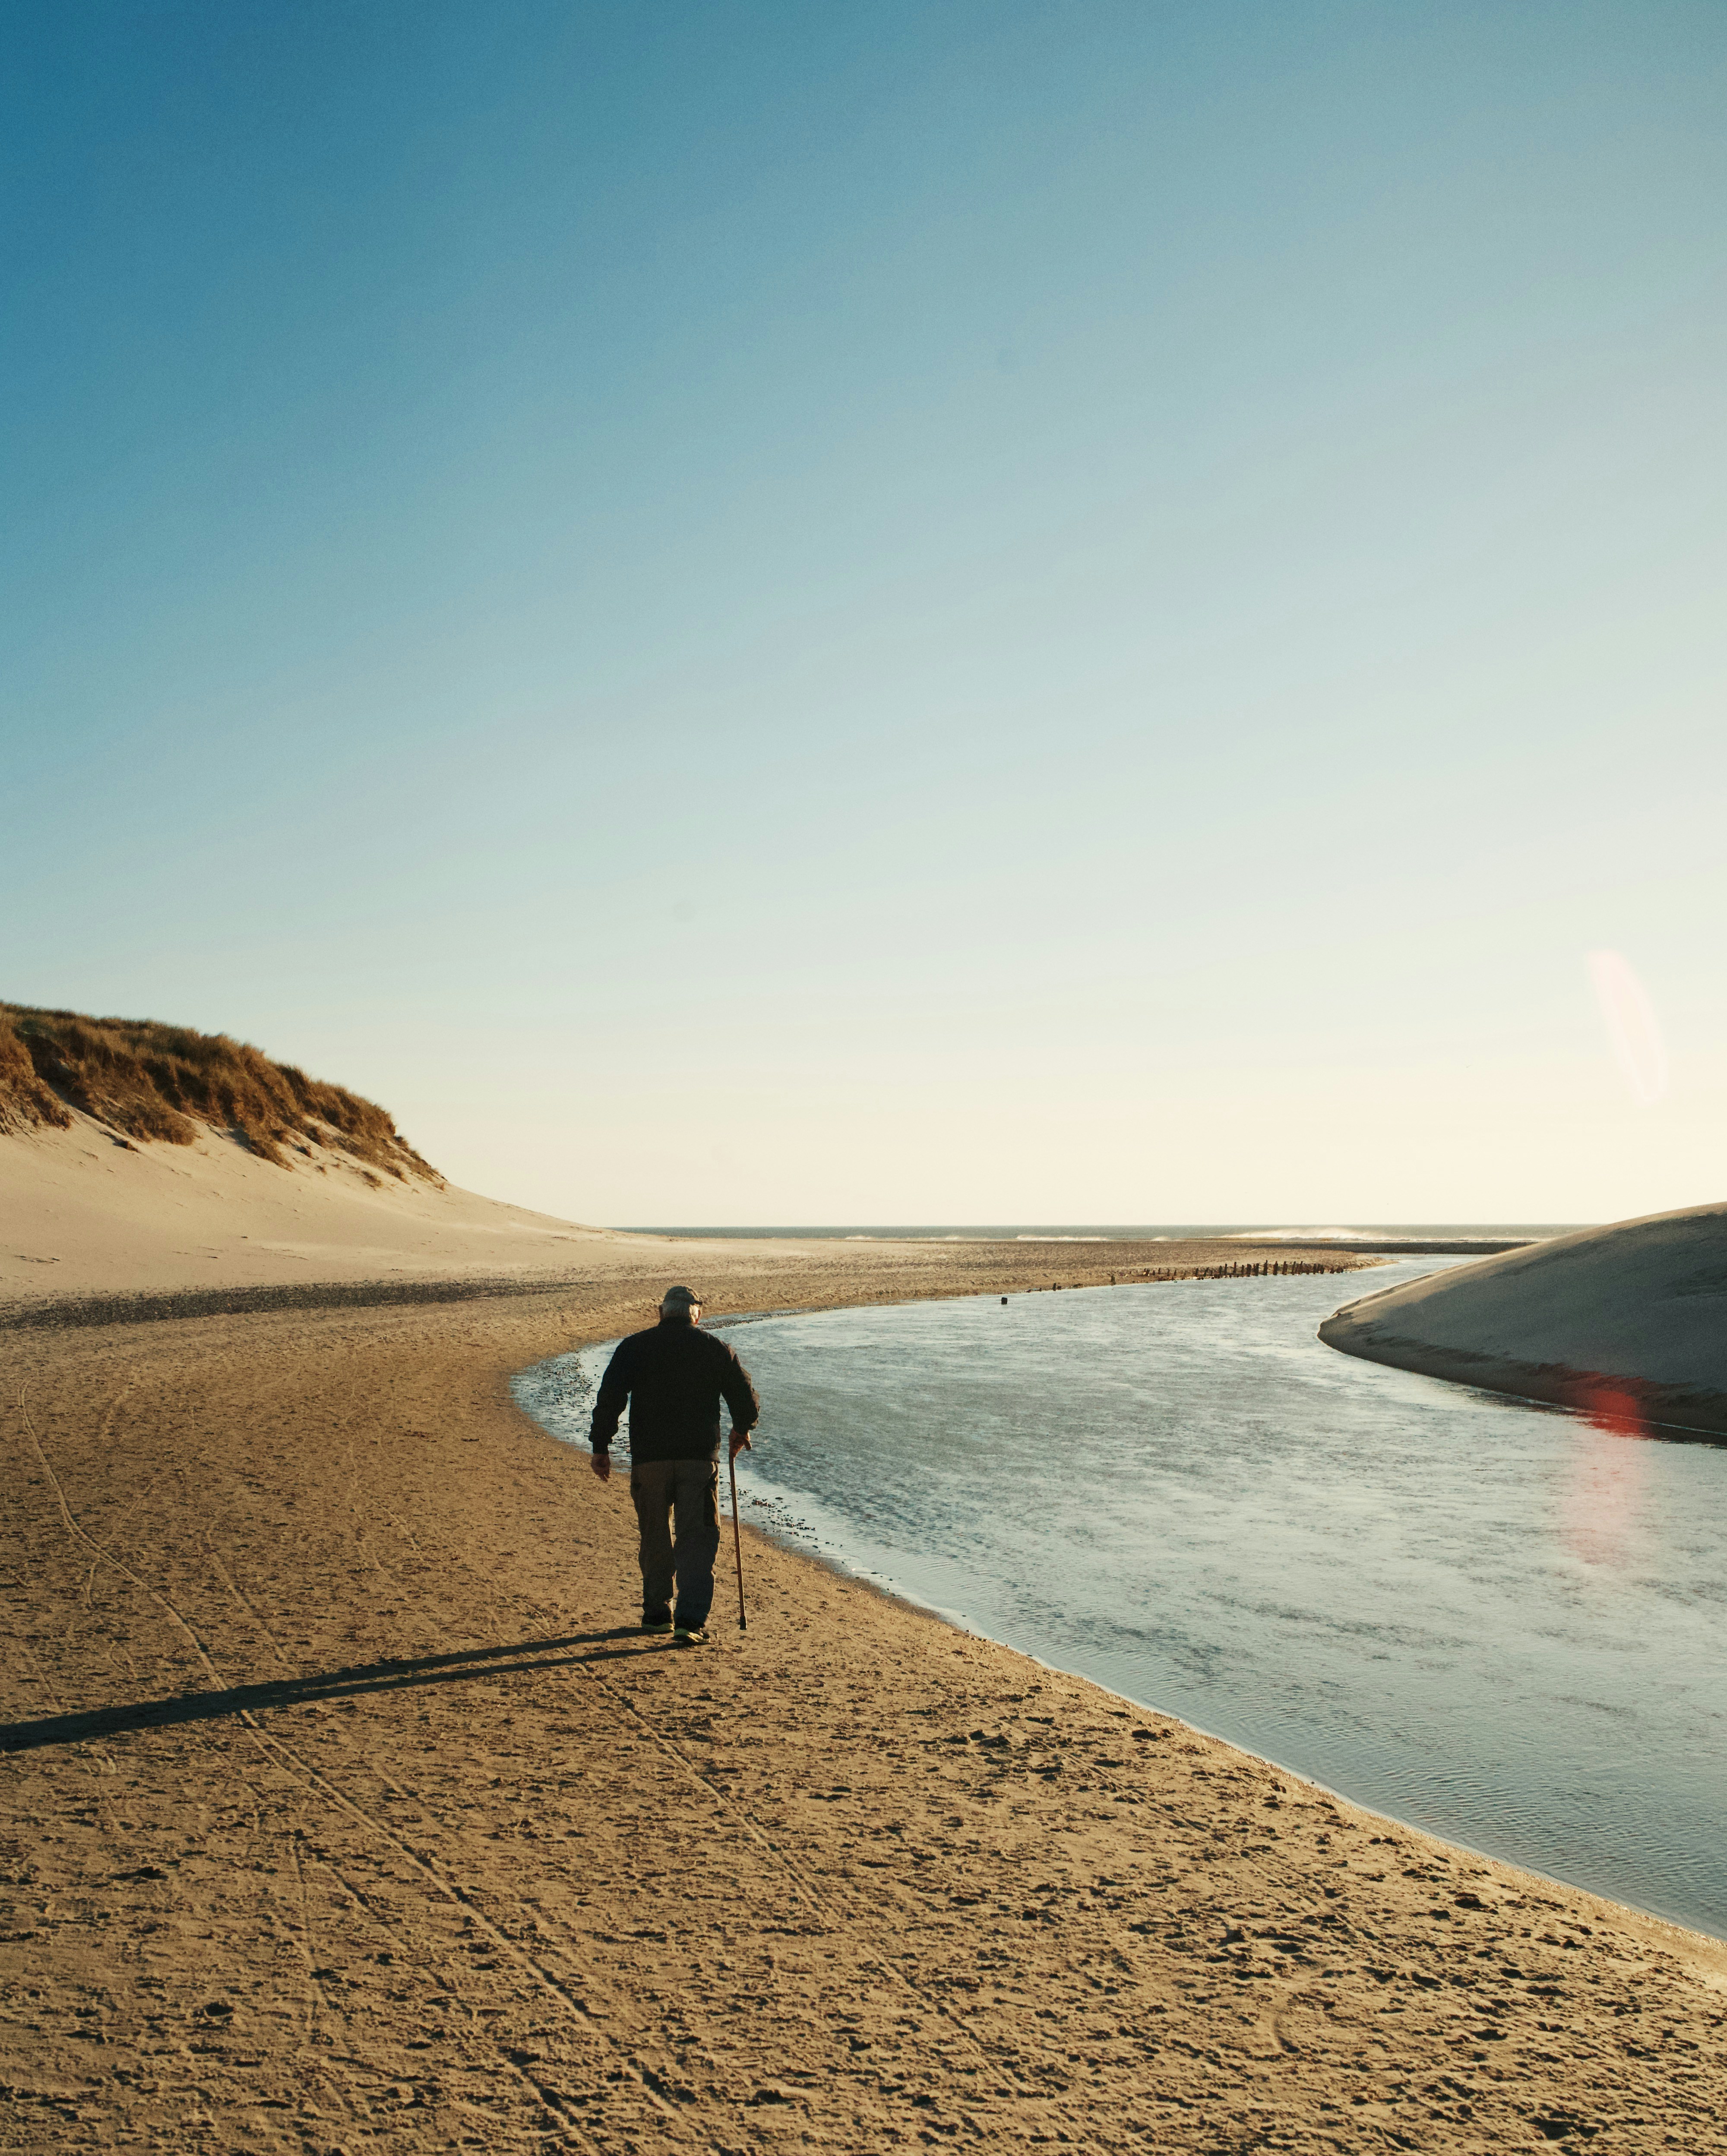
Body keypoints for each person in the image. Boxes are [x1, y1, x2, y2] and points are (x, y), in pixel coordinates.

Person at [588, 1285, 759, 1644]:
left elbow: (610, 1398)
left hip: (649, 1459)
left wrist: (601, 1446)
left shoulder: (634, 1346)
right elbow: (746, 1400)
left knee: (655, 1535)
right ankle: (690, 1621)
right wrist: (740, 1430)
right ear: (696, 1314)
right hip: (698, 1459)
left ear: (661, 1312)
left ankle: (656, 1614)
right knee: (696, 1538)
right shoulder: (715, 1348)